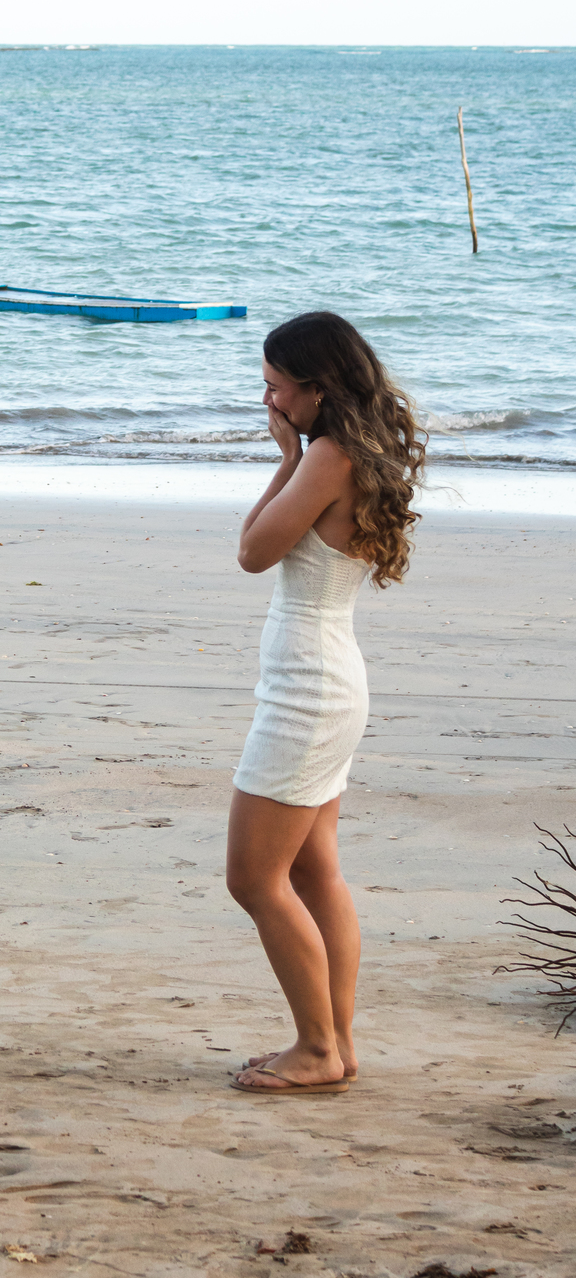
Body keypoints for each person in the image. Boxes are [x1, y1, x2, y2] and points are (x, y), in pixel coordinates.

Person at [225, 313, 425, 1094]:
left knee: (254, 879)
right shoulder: (345, 451)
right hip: (326, 681)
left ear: (318, 387)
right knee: (315, 873)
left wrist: (286, 462)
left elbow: (252, 552)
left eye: (276, 387)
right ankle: (335, 1042)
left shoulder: (328, 456)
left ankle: (316, 1049)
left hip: (307, 693)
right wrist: (289, 456)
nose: (268, 400)